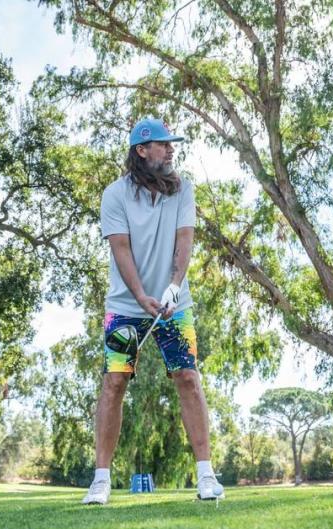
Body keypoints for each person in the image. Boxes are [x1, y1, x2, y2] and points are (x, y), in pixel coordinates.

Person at [82, 117, 225, 505]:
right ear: (142, 151)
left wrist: (174, 286)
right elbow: (121, 249)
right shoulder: (115, 194)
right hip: (126, 306)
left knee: (188, 377)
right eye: (163, 144)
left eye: (171, 144)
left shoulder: (183, 190)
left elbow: (184, 241)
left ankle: (206, 476)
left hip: (173, 302)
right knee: (115, 382)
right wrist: (142, 295)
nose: (171, 149)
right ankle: (100, 480)